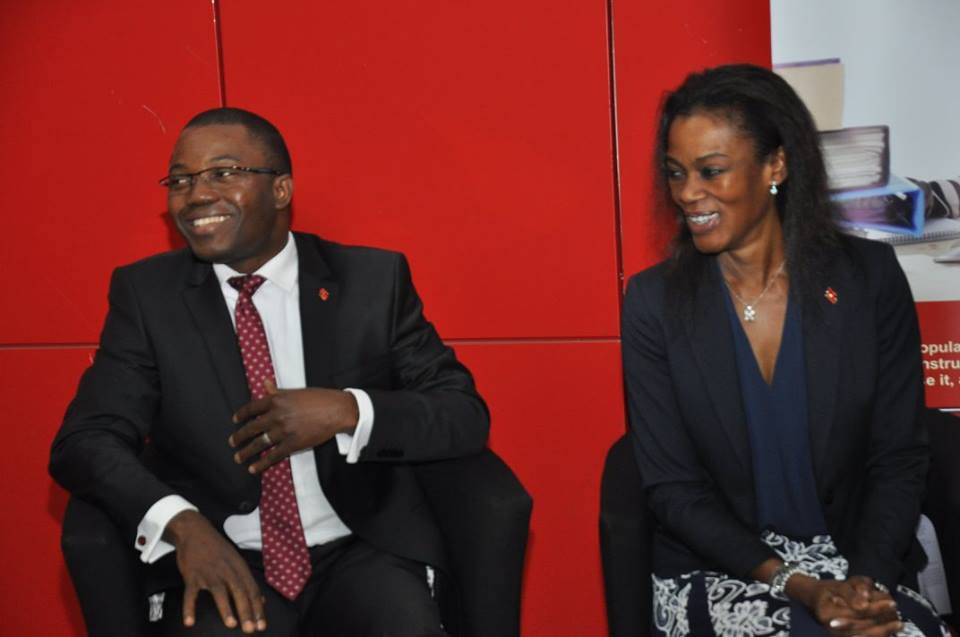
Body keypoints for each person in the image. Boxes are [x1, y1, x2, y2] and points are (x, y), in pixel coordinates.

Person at [50, 107, 489, 636]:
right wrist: (181, 523)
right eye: (181, 180)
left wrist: (347, 410)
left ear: (281, 190)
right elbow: (85, 440)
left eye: (223, 173)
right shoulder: (148, 297)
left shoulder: (372, 281)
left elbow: (462, 413)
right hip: (220, 552)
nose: (196, 195)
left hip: (359, 546)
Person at [621, 64, 948, 637]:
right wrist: (801, 587)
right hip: (721, 571)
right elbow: (674, 491)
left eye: (711, 170)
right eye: (676, 173)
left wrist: (864, 584)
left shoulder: (868, 278)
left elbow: (898, 459)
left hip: (855, 562)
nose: (687, 193)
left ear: (776, 165)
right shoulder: (655, 303)